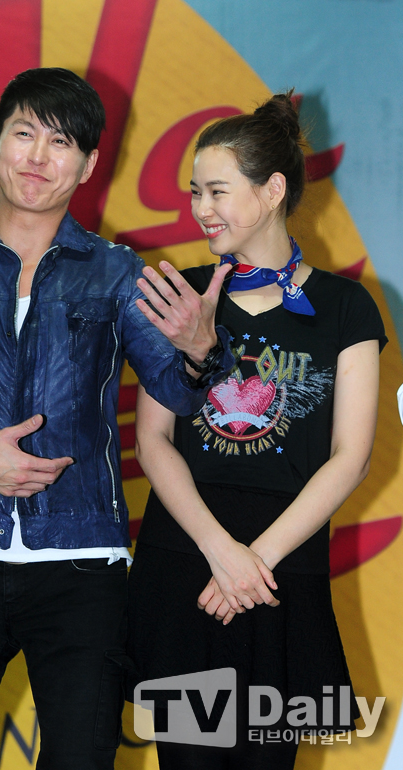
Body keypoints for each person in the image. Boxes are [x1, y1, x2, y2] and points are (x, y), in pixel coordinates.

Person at [0, 67, 234, 770]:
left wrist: (199, 353)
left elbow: (179, 392)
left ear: (89, 165)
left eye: (60, 142)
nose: (37, 156)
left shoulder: (119, 273)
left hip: (82, 563)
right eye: (24, 134)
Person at [127, 92, 386, 769]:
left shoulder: (345, 306)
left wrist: (256, 561)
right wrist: (221, 552)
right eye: (195, 192)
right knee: (189, 758)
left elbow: (351, 456)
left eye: (217, 190)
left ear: (272, 191)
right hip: (188, 560)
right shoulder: (179, 295)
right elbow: (152, 440)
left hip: (282, 568)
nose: (201, 208)